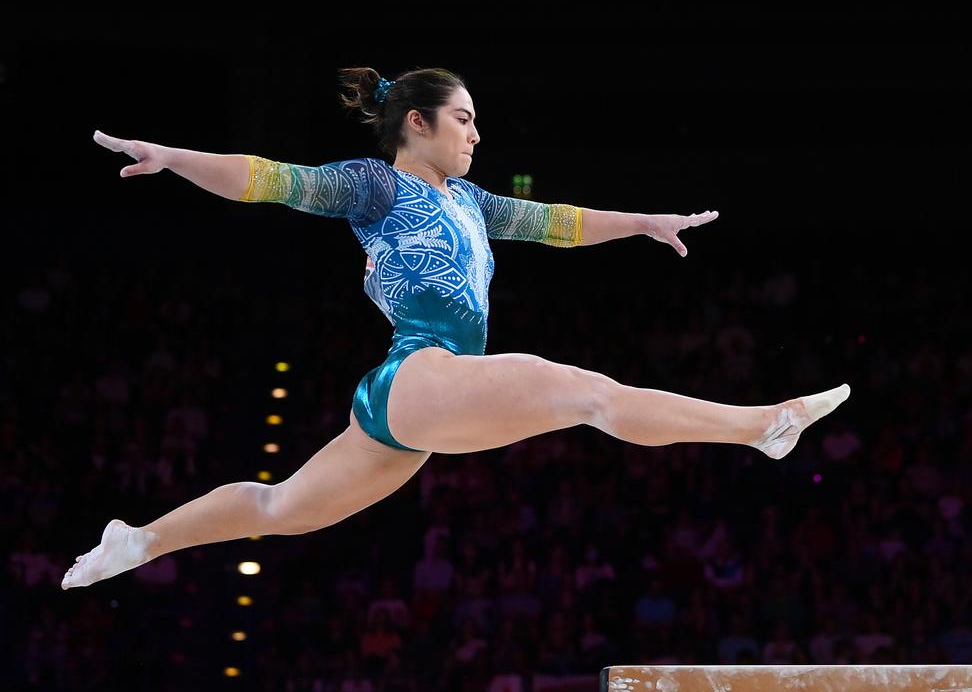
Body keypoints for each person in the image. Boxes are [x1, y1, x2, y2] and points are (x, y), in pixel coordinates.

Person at [63, 66, 850, 590]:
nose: (477, 134)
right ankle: (762, 426)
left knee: (278, 512)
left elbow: (557, 223)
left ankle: (138, 541)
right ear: (418, 122)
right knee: (586, 395)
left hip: (416, 403)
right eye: (464, 119)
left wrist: (641, 221)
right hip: (419, 371)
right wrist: (173, 154)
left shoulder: (473, 203)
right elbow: (271, 179)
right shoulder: (375, 186)